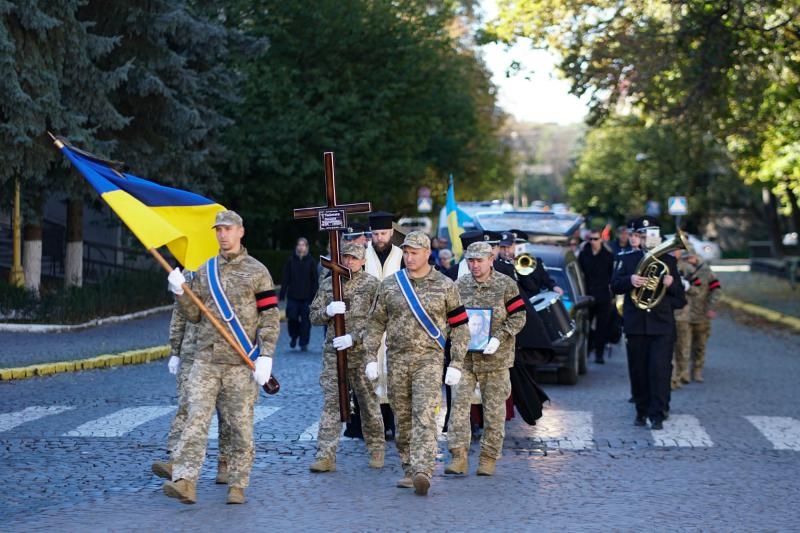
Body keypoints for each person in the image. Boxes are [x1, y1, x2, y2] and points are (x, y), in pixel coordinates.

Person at [163, 210, 280, 505]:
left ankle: (237, 483)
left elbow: (269, 316)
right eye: (218, 230)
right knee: (195, 420)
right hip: (205, 360)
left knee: (240, 427)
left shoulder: (258, 271)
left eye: (228, 229)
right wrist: (180, 292)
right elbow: (193, 314)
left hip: (240, 363)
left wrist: (266, 356)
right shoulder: (205, 270)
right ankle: (185, 481)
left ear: (241, 231)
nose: (222, 234)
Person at [364, 231, 470, 496]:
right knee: (403, 419)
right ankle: (409, 468)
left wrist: (456, 362)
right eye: (406, 253)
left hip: (429, 360)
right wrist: (369, 357)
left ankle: (423, 469)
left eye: (414, 253)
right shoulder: (390, 285)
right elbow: (375, 323)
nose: (409, 258)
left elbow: (460, 327)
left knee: (424, 414)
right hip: (397, 359)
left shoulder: (445, 285)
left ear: (427, 254)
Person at [446, 242, 526, 476]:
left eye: (479, 261)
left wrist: (500, 338)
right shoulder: (459, 285)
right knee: (459, 409)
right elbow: (450, 317)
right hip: (466, 359)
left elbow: (519, 316)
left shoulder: (505, 285)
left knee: (494, 412)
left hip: (496, 360)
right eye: (471, 261)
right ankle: (458, 457)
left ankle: (488, 458)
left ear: (491, 259)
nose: (475, 265)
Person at [308, 242, 385, 472]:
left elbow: (378, 322)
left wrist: (355, 338)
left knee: (368, 402)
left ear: (363, 261)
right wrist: (328, 311)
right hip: (334, 353)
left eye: (354, 258)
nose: (349, 262)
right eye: (346, 257)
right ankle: (325, 455)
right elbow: (313, 316)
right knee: (332, 403)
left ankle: (376, 448)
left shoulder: (372, 285)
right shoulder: (329, 284)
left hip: (361, 353)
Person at [151, 283, 232, 485]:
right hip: (191, 355)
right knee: (187, 407)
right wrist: (175, 351)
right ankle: (177, 462)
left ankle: (226, 464)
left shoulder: (230, 272)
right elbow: (179, 315)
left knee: (227, 413)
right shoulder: (189, 275)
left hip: (224, 354)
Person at [611, 216, 686, 430]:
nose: (646, 239)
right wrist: (630, 281)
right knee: (639, 370)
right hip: (636, 326)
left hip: (662, 326)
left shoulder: (669, 262)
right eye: (642, 235)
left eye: (651, 235)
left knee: (660, 370)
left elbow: (681, 300)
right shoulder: (626, 259)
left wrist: (671, 285)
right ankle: (641, 411)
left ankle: (658, 413)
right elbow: (614, 286)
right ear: (637, 237)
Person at [364, 211, 403, 440]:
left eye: (383, 233)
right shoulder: (362, 255)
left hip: (396, 324)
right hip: (369, 324)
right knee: (369, 373)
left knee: (395, 373)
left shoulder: (401, 256)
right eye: (376, 233)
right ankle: (372, 427)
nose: (379, 238)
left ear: (391, 233)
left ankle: (396, 424)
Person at [683, 247, 722, 383]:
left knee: (700, 345)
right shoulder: (682, 270)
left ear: (695, 257)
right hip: (685, 314)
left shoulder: (706, 272)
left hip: (702, 313)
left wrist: (711, 307)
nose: (687, 261)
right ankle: (684, 372)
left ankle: (697, 370)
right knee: (684, 346)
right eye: (684, 258)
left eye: (689, 258)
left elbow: (716, 290)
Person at [578, 228, 615, 364]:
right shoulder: (583, 254)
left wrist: (612, 295)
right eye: (591, 239)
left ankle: (599, 353)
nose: (593, 242)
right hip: (587, 295)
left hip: (603, 295)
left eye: (596, 239)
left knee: (602, 326)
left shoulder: (608, 256)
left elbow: (612, 276)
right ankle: (586, 350)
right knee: (586, 324)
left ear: (601, 240)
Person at [280, 237, 318, 351]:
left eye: (303, 245)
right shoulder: (291, 260)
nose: (301, 247)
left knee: (306, 321)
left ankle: (303, 342)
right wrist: (282, 294)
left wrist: (315, 297)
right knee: (292, 318)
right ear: (296, 246)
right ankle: (294, 336)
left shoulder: (311, 261)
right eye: (299, 244)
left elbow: (314, 280)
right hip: (293, 296)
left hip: (307, 297)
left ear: (307, 247)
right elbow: (286, 277)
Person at [499, 230, 563, 296]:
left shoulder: (532, 261)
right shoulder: (496, 264)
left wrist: (554, 286)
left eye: (519, 244)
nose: (506, 250)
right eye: (503, 247)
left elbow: (535, 285)